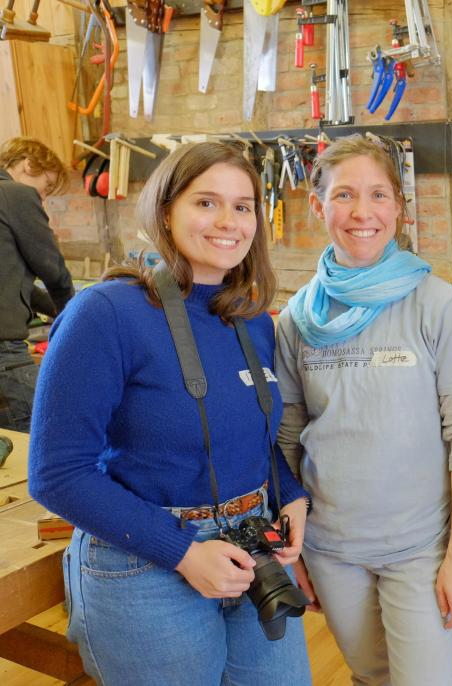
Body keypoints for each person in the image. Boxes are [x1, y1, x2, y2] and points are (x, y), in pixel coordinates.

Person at [28, 142, 312, 685]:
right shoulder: (106, 313)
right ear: (164, 211)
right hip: (145, 565)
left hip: (252, 548)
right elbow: (56, 473)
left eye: (244, 205)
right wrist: (183, 552)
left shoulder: (251, 318)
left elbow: (248, 436)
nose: (229, 221)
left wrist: (290, 493)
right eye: (206, 203)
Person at [274, 135, 452, 686]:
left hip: (419, 549)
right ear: (318, 206)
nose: (362, 212)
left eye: (378, 195)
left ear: (399, 206)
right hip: (331, 547)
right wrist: (293, 549)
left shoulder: (440, 306)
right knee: (370, 677)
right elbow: (288, 433)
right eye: (345, 195)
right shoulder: (297, 319)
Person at [0, 137, 74, 432]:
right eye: (44, 187)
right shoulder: (15, 195)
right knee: (48, 435)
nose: (42, 199)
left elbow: (12, 281)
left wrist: (53, 310)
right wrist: (75, 316)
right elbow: (52, 268)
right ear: (29, 164)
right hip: (3, 351)